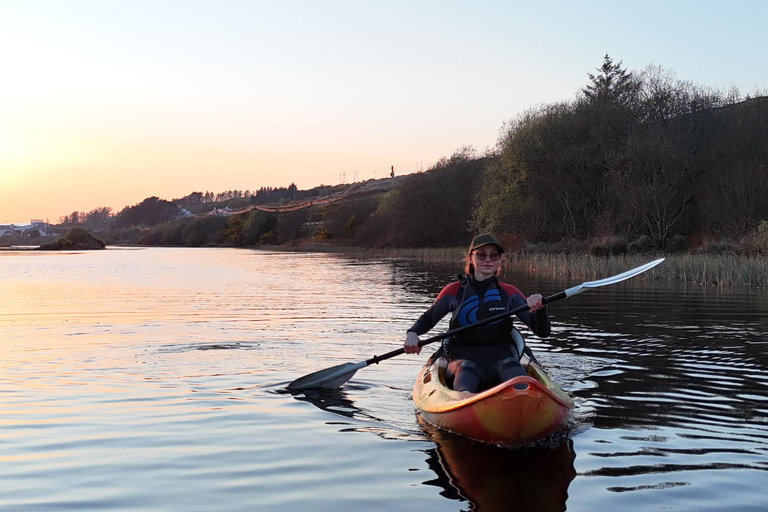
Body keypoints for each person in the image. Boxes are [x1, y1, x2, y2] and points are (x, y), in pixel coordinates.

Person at [404, 234, 550, 393]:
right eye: (481, 254)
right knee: (467, 370)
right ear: (471, 258)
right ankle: (465, 401)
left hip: (503, 359)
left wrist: (540, 309)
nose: (488, 259)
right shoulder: (453, 292)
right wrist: (412, 333)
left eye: (494, 255)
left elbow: (542, 332)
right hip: (463, 360)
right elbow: (428, 319)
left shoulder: (510, 293)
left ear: (499, 261)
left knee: (513, 372)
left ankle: (521, 400)